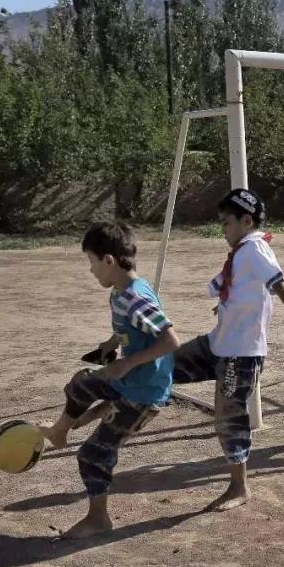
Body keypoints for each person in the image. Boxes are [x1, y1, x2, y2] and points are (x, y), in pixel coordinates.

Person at [172, 188, 284, 511]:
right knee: (165, 366)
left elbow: (279, 283)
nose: (222, 230)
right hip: (218, 343)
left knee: (229, 416)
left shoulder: (255, 249)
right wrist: (226, 307)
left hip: (241, 354)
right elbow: (233, 286)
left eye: (225, 223)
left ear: (246, 220)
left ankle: (239, 487)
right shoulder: (241, 251)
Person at [39, 222, 180, 538]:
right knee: (81, 383)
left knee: (93, 454)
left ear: (108, 261)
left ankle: (98, 518)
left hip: (143, 393)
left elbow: (171, 341)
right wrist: (112, 344)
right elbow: (130, 328)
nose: (90, 271)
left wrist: (125, 363)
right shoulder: (119, 293)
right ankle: (60, 431)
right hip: (126, 381)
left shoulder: (136, 298)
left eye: (90, 262)